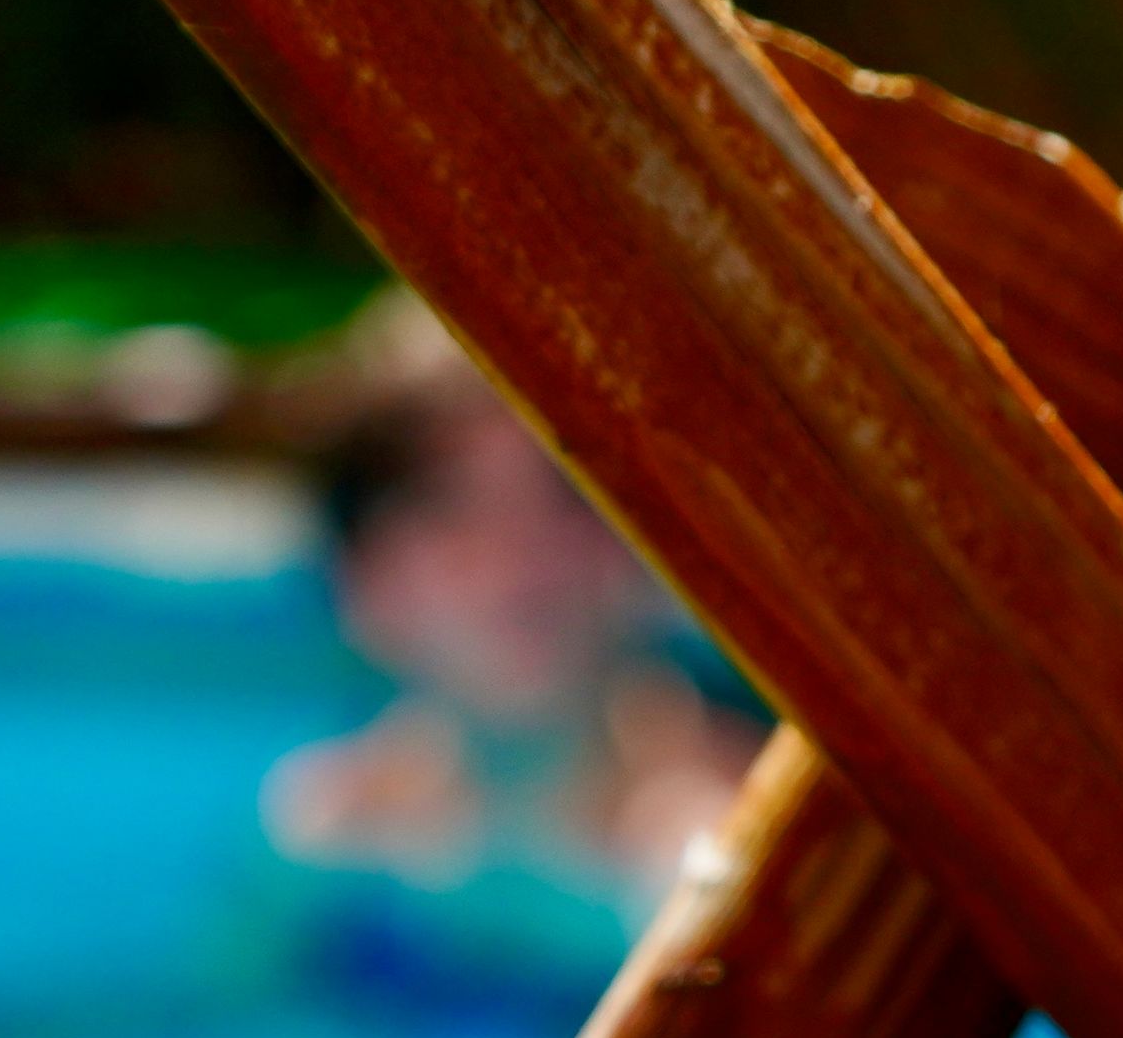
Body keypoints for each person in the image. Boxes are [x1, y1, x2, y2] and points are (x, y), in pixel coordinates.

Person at [264, 298, 756, 899]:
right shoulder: (324, 821)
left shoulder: (726, 839)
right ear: (362, 577)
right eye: (447, 507)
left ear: (649, 552)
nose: (517, 554)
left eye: (567, 492)